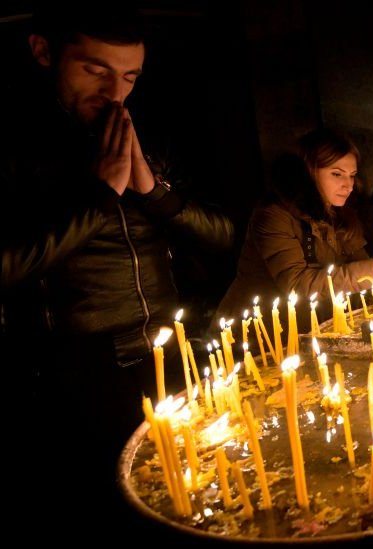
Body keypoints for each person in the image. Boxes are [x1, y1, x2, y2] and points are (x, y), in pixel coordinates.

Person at [0, 3, 233, 537]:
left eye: (129, 76)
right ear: (43, 52)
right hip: (79, 369)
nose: (114, 93)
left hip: (169, 350)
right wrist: (99, 196)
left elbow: (222, 237)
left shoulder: (152, 133)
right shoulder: (15, 146)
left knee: (192, 497)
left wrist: (152, 192)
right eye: (94, 69)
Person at [218, 128, 373, 323]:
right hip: (254, 332)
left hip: (311, 326)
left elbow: (357, 262)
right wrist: (371, 271)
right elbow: (297, 284)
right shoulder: (274, 216)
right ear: (309, 172)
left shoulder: (338, 211)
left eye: (352, 175)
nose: (348, 185)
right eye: (337, 174)